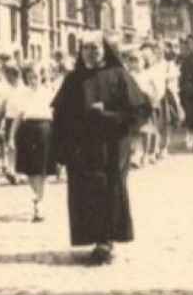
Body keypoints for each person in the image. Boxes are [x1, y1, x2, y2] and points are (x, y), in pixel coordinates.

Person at [51, 33, 152, 267]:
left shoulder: (119, 76)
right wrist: (62, 147)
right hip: (82, 147)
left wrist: (109, 115)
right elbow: (60, 116)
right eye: (86, 49)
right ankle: (93, 236)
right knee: (86, 190)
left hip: (112, 145)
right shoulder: (73, 80)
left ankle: (106, 241)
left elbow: (138, 111)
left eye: (95, 48)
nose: (90, 53)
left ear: (104, 50)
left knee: (109, 188)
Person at [8, 63, 59, 222]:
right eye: (30, 77)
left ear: (41, 77)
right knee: (30, 170)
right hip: (27, 130)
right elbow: (17, 118)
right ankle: (37, 196)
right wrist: (11, 137)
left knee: (42, 169)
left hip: (45, 130)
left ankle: (40, 203)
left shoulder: (49, 93)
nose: (33, 80)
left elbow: (56, 115)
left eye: (36, 77)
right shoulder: (22, 95)